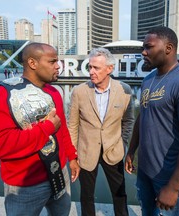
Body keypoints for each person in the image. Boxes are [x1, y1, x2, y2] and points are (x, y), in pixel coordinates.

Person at [0, 42, 80, 216]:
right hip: (24, 186)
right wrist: (47, 128)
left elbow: (62, 129)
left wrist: (72, 157)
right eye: (52, 61)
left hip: (60, 174)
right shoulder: (2, 95)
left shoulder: (54, 91)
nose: (58, 66)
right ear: (32, 63)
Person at [125, 26, 179, 216]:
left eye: (149, 47)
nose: (143, 52)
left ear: (168, 48)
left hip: (170, 176)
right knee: (148, 212)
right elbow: (142, 116)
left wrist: (173, 187)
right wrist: (131, 151)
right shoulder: (149, 79)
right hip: (145, 171)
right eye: (143, 48)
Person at [68, 47, 135, 216]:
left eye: (96, 68)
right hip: (86, 151)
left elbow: (128, 121)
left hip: (114, 150)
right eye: (90, 67)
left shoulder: (125, 90)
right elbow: (72, 125)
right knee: (86, 195)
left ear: (109, 69)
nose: (91, 71)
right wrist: (72, 156)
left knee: (120, 193)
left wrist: (123, 143)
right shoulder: (79, 92)